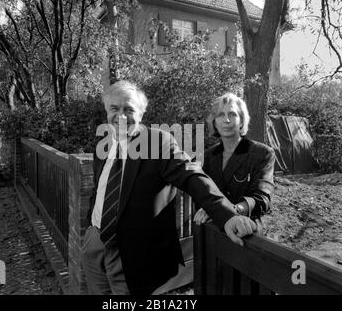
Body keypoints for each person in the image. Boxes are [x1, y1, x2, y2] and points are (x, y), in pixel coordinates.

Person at [82, 81, 258, 295]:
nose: (121, 116)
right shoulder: (104, 141)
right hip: (94, 243)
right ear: (106, 110)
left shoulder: (157, 141)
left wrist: (228, 215)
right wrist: (90, 226)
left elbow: (191, 175)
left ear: (141, 113)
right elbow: (99, 187)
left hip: (132, 254)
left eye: (129, 109)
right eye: (114, 108)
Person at [194, 93, 275, 234]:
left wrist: (233, 210)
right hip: (213, 231)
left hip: (246, 233)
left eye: (232, 114)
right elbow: (202, 194)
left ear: (242, 121)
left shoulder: (262, 153)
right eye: (220, 115)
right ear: (214, 122)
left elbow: (263, 200)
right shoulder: (208, 155)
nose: (226, 120)